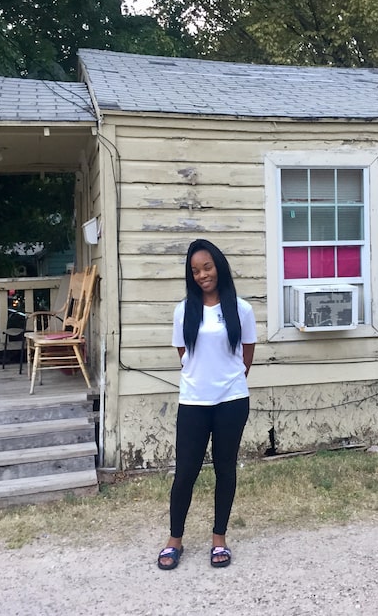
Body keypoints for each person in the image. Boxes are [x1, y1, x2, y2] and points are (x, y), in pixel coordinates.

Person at [157, 239, 257, 570]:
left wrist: (229, 378)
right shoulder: (183, 310)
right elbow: (183, 353)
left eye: (208, 267)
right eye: (195, 271)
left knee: (225, 469)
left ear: (219, 266)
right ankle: (175, 540)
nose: (202, 275)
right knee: (186, 471)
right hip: (194, 401)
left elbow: (247, 352)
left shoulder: (241, 309)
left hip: (231, 400)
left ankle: (219, 540)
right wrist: (201, 377)